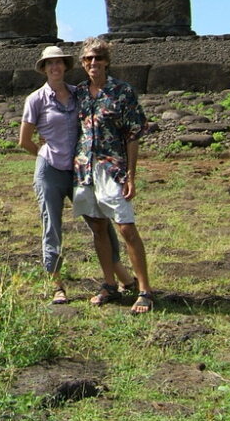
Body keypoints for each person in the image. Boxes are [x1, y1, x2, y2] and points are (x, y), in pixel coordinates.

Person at [19, 45, 136, 305]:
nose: (55, 67)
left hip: (79, 170)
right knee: (52, 226)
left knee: (99, 222)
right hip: (50, 170)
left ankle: (124, 278)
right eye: (50, 64)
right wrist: (45, 152)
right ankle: (56, 284)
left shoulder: (77, 93)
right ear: (44, 69)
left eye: (59, 63)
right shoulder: (36, 99)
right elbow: (24, 140)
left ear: (66, 66)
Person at [73, 37, 154, 313]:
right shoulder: (80, 93)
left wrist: (131, 175)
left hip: (113, 168)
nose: (92, 63)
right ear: (82, 63)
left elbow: (133, 134)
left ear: (106, 60)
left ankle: (144, 290)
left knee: (126, 227)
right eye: (87, 59)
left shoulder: (122, 91)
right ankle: (109, 283)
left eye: (97, 58)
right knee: (97, 227)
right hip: (86, 168)